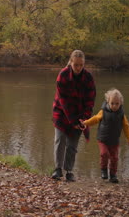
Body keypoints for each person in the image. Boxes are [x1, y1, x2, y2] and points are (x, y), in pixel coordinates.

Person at [51, 50, 96, 182]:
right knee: (60, 140)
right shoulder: (62, 75)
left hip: (80, 113)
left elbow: (90, 100)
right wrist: (73, 120)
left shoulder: (88, 78)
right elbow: (63, 101)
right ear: (71, 62)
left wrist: (84, 118)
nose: (78, 68)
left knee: (72, 144)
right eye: (75, 65)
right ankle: (57, 169)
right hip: (61, 111)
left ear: (84, 64)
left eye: (81, 65)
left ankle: (69, 171)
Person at [80, 88, 129, 183]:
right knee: (104, 154)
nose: (114, 106)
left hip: (114, 140)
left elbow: (126, 127)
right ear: (108, 102)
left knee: (115, 158)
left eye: (117, 104)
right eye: (112, 103)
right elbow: (95, 119)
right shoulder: (103, 112)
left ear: (121, 103)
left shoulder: (121, 115)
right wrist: (86, 123)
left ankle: (113, 175)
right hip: (103, 139)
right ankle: (103, 170)